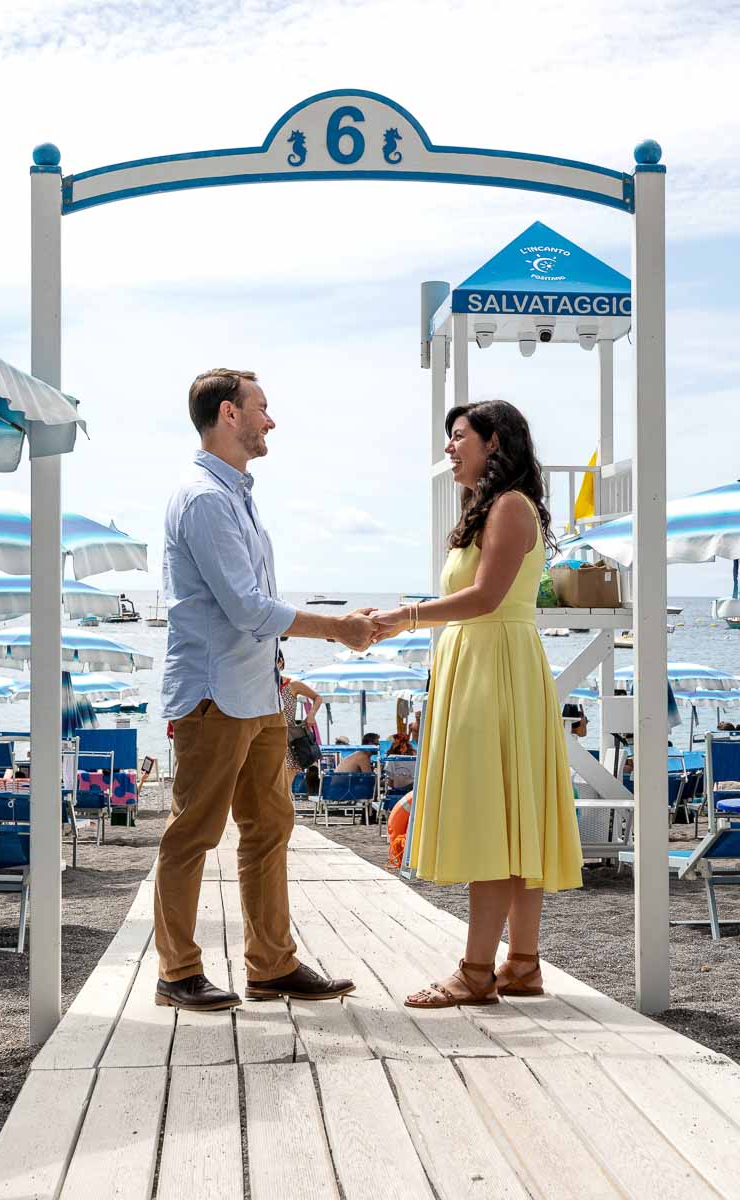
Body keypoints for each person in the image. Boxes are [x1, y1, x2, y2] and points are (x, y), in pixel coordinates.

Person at [156, 367, 377, 1013]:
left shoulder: (236, 495)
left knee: (270, 827)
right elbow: (249, 608)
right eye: (262, 407)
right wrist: (337, 627)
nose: (270, 420)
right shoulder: (204, 498)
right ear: (230, 413)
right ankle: (178, 973)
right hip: (214, 695)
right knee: (194, 833)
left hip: (256, 692)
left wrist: (281, 674)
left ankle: (271, 966)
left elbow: (253, 613)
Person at [371, 399, 583, 1008]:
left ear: (494, 443)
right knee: (509, 812)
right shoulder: (487, 508)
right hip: (485, 664)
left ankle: (475, 971)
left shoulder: (511, 507)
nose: (449, 447)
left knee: (495, 815)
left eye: (459, 436)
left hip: (496, 668)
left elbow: (487, 597)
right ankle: (521, 964)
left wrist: (402, 617)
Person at [277, 650, 323, 787]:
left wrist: (311, 714)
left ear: (281, 662)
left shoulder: (293, 685)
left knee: (285, 789)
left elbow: (317, 697)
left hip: (289, 740)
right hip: (268, 737)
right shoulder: (263, 687)